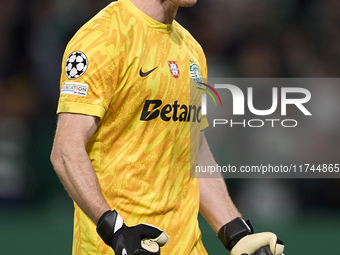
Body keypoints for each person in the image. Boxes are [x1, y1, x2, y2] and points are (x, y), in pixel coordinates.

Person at [50, 0, 285, 254]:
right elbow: (66, 150)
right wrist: (116, 231)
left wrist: (236, 233)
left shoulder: (192, 49)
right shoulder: (102, 37)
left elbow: (193, 150)